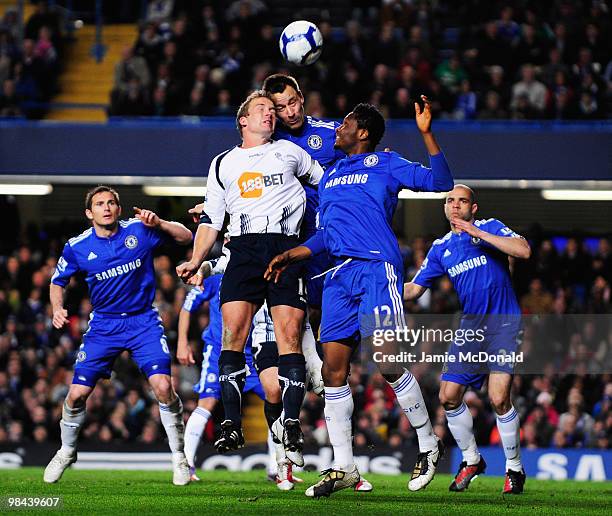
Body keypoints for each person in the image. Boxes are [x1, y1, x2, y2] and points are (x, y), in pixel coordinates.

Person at [265, 98, 454, 497]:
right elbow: (325, 236)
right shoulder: (330, 175)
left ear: (362, 132)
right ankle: (344, 466)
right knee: (334, 372)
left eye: (345, 123)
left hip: (376, 269)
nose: (337, 128)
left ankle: (427, 443)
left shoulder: (386, 163)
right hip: (337, 277)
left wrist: (426, 133)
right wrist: (291, 254)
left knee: (387, 361)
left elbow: (441, 183)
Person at [176, 90, 324, 467]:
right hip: (241, 250)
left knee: (289, 336)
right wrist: (196, 259)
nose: (270, 115)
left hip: (284, 247)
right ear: (243, 120)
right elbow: (212, 218)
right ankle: (231, 422)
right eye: (262, 109)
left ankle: (291, 423)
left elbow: (326, 184)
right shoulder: (223, 163)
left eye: (273, 111)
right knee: (232, 334)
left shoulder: (291, 152)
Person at [44, 186, 193, 485]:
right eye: (100, 204)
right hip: (103, 327)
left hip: (143, 323)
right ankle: (66, 450)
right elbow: (57, 281)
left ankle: (180, 457)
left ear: (119, 209)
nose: (107, 207)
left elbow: (186, 237)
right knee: (76, 395)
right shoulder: (77, 246)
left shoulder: (140, 230)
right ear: (90, 213)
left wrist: (160, 223)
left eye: (111, 202)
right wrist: (57, 308)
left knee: (163, 386)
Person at [404, 184, 531, 494]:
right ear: (445, 208)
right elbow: (414, 290)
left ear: (473, 207)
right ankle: (472, 460)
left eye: (462, 201)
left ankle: (514, 469)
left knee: (499, 398)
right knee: (448, 396)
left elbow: (524, 251)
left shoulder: (490, 227)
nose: (455, 205)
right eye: (450, 201)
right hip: (471, 329)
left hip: (504, 323)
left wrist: (477, 234)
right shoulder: (440, 248)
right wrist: (378, 285)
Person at [177, 253, 301, 491]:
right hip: (219, 349)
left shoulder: (260, 269)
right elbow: (187, 307)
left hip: (254, 347)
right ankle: (186, 464)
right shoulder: (216, 276)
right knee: (207, 402)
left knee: (276, 397)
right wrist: (182, 342)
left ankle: (277, 468)